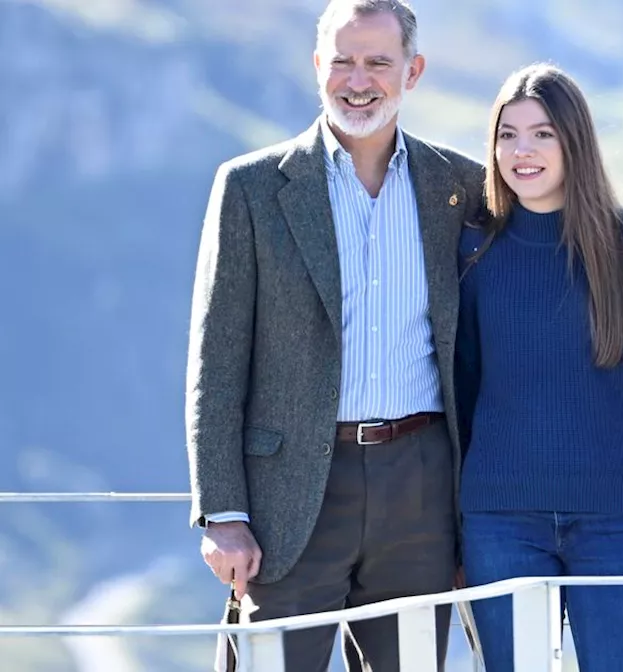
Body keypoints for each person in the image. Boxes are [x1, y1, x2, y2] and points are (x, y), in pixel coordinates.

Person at [185, 1, 485, 669]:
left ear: (414, 70)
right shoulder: (251, 189)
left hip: (421, 489)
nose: (359, 80)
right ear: (317, 65)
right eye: (343, 61)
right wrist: (223, 511)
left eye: (378, 62)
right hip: (289, 497)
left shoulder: (461, 187)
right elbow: (217, 360)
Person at [454, 63, 623, 672]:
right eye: (508, 134)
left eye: (542, 133)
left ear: (574, 142)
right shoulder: (472, 248)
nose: (522, 150)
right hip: (500, 523)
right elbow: (461, 389)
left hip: (619, 523)